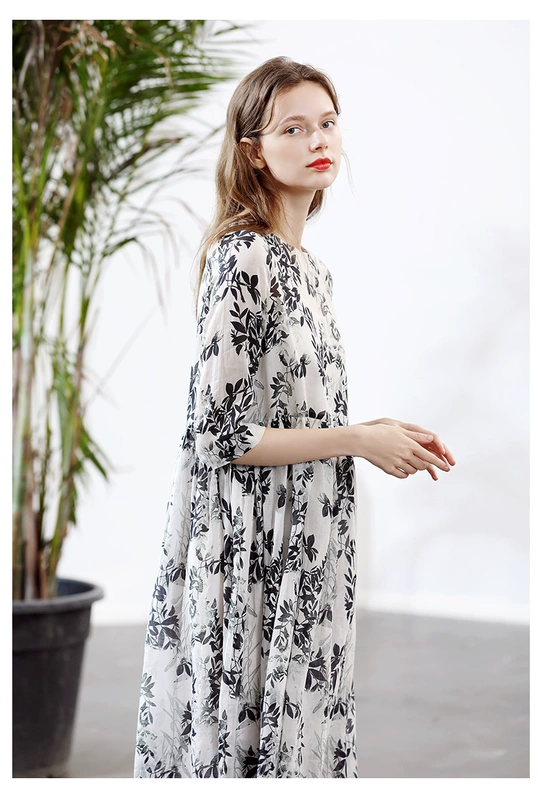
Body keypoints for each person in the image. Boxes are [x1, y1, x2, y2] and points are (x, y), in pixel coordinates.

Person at [133, 55, 455, 780]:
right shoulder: (242, 257)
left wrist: (380, 429)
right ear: (253, 150)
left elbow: (291, 410)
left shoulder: (310, 269)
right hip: (254, 547)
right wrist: (357, 440)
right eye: (294, 128)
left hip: (307, 539)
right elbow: (217, 433)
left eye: (329, 123)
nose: (319, 140)